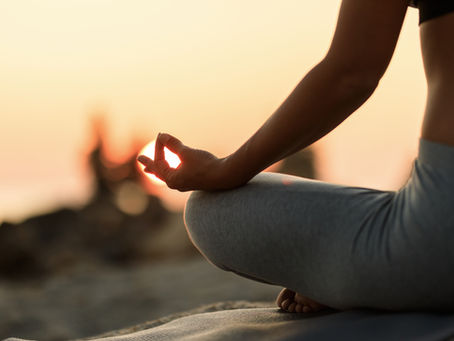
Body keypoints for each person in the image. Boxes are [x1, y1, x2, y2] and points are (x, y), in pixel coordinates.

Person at [138, 0, 454, 313]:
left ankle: (339, 276)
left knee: (207, 209)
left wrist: (225, 170)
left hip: (439, 243)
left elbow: (352, 74)